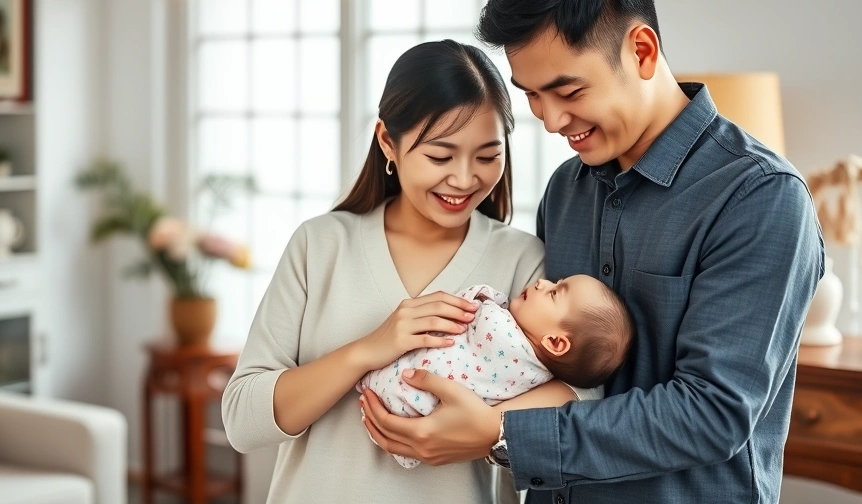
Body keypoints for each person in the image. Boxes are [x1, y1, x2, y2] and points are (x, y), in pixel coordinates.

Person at [360, 0, 824, 504]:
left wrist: (502, 434)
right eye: (532, 95)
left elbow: (713, 414)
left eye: (568, 90)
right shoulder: (566, 190)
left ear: (642, 52)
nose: (551, 121)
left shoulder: (759, 198)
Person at [221, 39, 597, 504]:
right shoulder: (320, 245)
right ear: (387, 142)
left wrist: (489, 429)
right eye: (440, 156)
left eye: (487, 156)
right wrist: (367, 351)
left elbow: (583, 396)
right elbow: (242, 421)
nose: (464, 179)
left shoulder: (523, 263)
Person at [359, 275, 633, 468]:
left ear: (555, 342)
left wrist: (485, 296)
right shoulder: (540, 382)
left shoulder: (501, 331)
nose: (542, 282)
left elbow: (478, 309)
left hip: (404, 386)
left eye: (554, 293)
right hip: (415, 423)